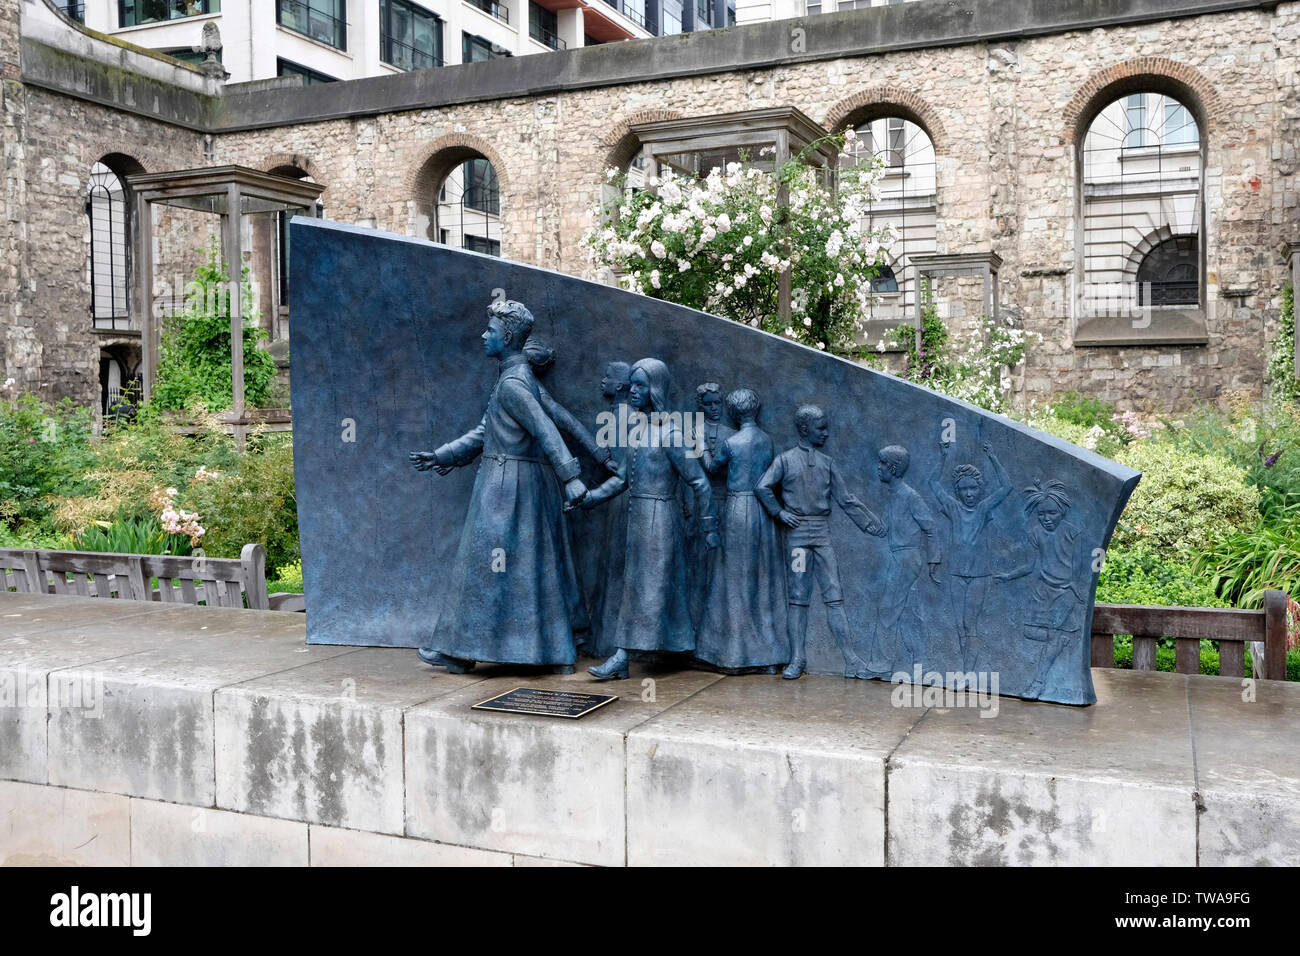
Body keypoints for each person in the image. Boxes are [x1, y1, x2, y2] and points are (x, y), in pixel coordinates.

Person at [408, 299, 589, 673]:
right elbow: (485, 431)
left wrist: (571, 477)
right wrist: (444, 455)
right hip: (518, 486)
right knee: (528, 570)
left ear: (506, 338)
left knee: (483, 568)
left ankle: (459, 652)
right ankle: (552, 654)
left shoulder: (514, 384)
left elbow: (546, 429)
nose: (483, 335)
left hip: (506, 490)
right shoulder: (516, 379)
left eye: (489, 330)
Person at [582, 358, 719, 681]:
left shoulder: (671, 433)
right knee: (644, 587)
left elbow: (699, 482)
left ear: (655, 389)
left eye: (641, 385)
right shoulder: (638, 431)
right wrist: (590, 499)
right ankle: (673, 647)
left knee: (648, 587)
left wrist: (709, 526)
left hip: (661, 520)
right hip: (639, 520)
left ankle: (622, 657)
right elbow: (621, 481)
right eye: (632, 383)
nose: (633, 390)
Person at [755, 404, 884, 680]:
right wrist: (779, 513)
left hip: (822, 533)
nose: (826, 433)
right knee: (798, 599)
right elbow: (762, 486)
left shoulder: (828, 463)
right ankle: (797, 659)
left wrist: (870, 523)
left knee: (834, 596)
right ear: (804, 429)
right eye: (821, 428)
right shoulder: (785, 460)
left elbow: (846, 499)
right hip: (798, 536)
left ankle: (851, 660)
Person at [695, 387, 788, 673]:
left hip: (738, 509)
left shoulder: (733, 442)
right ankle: (769, 657)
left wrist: (698, 440)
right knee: (762, 582)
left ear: (734, 412)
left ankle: (734, 655)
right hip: (761, 512)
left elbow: (711, 467)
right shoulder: (766, 440)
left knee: (733, 581)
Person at [997, 479, 1090, 698]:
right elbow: (1032, 565)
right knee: (1031, 632)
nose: (1046, 518)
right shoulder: (1036, 533)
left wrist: (1075, 589)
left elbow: (1080, 568)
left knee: (1057, 637)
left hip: (1065, 593)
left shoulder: (1073, 533)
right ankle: (1062, 641)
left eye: (1052, 513)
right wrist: (1009, 576)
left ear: (1062, 512)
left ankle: (1039, 681)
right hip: (1042, 592)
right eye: (1041, 514)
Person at [928, 438, 1011, 670]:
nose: (969, 493)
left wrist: (993, 458)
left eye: (973, 488)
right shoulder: (953, 507)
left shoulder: (984, 508)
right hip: (956, 573)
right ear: (957, 490)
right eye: (963, 489)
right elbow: (932, 483)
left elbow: (1007, 488)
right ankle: (964, 666)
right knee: (958, 625)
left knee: (969, 625)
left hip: (979, 575)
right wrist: (943, 457)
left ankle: (968, 671)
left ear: (980, 488)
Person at [863, 444, 942, 677]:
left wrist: (934, 560)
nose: (878, 468)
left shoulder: (910, 496)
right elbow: (890, 528)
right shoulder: (894, 495)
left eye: (883, 464)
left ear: (894, 469)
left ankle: (881, 663)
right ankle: (921, 664)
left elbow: (931, 528)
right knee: (909, 614)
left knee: (888, 610)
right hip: (901, 557)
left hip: (907, 558)